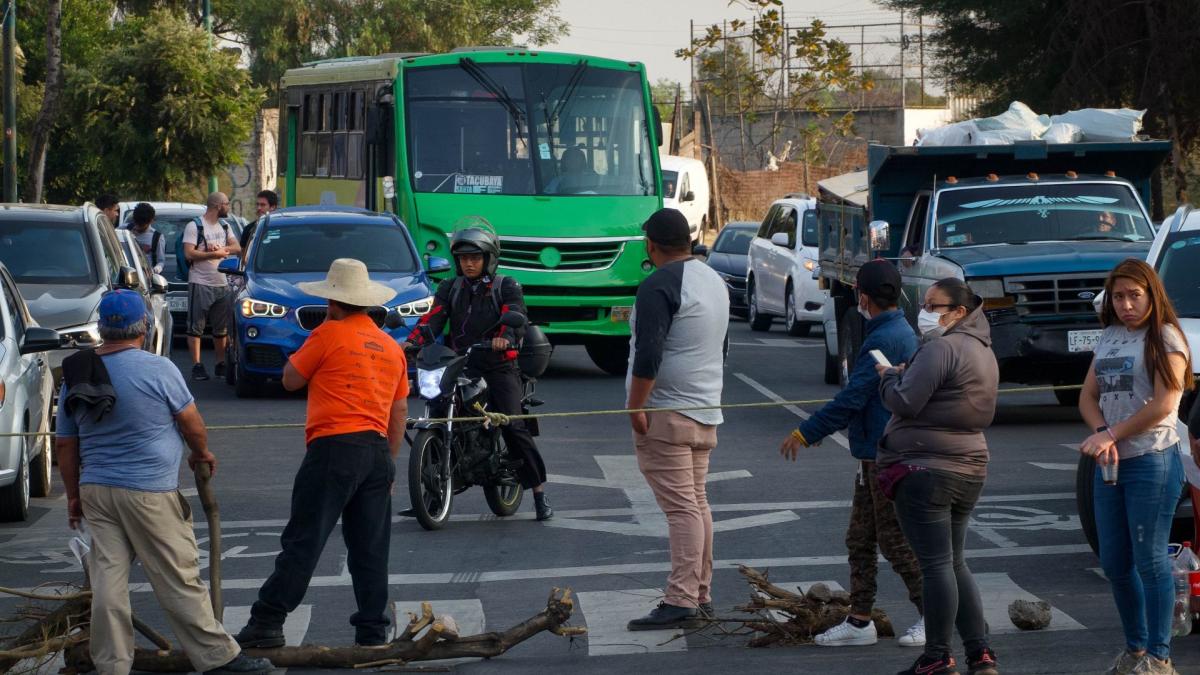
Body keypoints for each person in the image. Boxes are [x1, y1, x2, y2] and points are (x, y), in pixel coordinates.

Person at [55, 290, 271, 675]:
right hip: (148, 491)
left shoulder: (76, 372)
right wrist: (200, 453)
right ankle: (218, 658)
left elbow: (66, 445)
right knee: (177, 576)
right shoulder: (158, 369)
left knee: (107, 580)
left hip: (96, 490)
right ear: (145, 326)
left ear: (102, 329)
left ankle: (111, 664)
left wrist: (73, 495)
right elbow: (191, 423)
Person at [235, 258, 408, 648]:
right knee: (370, 548)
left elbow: (291, 379)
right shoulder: (389, 346)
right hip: (377, 450)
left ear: (332, 302)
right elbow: (399, 411)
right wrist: (390, 465)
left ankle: (268, 620)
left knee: (306, 539)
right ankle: (372, 629)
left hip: (333, 448)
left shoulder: (328, 334)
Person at [778, 259, 926, 648]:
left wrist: (805, 432)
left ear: (862, 296)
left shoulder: (885, 338)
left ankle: (933, 614)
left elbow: (852, 398)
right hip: (871, 456)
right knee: (859, 539)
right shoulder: (894, 329)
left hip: (885, 455)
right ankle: (860, 622)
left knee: (895, 542)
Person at [875, 278, 1000, 675]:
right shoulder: (982, 350)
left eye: (934, 305)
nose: (924, 312)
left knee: (936, 565)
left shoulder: (941, 347)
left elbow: (906, 400)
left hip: (925, 468)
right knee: (955, 562)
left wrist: (888, 378)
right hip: (969, 466)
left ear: (959, 312)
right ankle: (979, 654)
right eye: (924, 303)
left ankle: (937, 656)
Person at [1078, 258, 1191, 675]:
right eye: (1119, 296)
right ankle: (1136, 650)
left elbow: (1165, 403)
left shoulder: (1165, 337)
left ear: (1151, 295)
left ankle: (1160, 657)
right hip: (1111, 463)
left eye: (1134, 296)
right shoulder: (1108, 336)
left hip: (1153, 459)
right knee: (1114, 562)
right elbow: (1088, 397)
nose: (1126, 304)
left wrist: (1112, 434)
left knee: (1150, 559)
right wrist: (1102, 430)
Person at [624, 208, 729, 631]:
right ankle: (699, 592)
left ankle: (682, 597)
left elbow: (648, 353)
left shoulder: (659, 284)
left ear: (651, 245)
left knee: (682, 508)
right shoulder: (714, 280)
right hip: (706, 408)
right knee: (697, 503)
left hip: (667, 411)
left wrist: (636, 406)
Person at [406, 226, 553, 521]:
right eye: (463, 258)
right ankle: (430, 493)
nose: (468, 264)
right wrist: (414, 341)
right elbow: (434, 318)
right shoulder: (451, 287)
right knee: (437, 408)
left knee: (512, 423)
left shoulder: (506, 285)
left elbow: (515, 316)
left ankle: (538, 492)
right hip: (460, 362)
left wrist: (505, 337)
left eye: (475, 257)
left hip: (498, 364)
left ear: (489, 258)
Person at [182, 192, 240, 381]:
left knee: (221, 328)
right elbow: (189, 254)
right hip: (201, 281)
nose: (228, 207)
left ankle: (220, 363)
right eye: (226, 204)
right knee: (195, 326)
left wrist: (223, 250)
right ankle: (197, 365)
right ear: (217, 206)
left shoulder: (225, 225)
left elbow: (237, 247)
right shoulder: (195, 226)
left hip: (222, 282)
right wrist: (211, 254)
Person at [125, 202, 167, 274]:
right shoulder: (124, 230)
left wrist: (154, 270)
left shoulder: (157, 237)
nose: (139, 227)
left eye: (142, 225)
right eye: (137, 224)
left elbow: (161, 261)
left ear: (151, 221)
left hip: (146, 276)